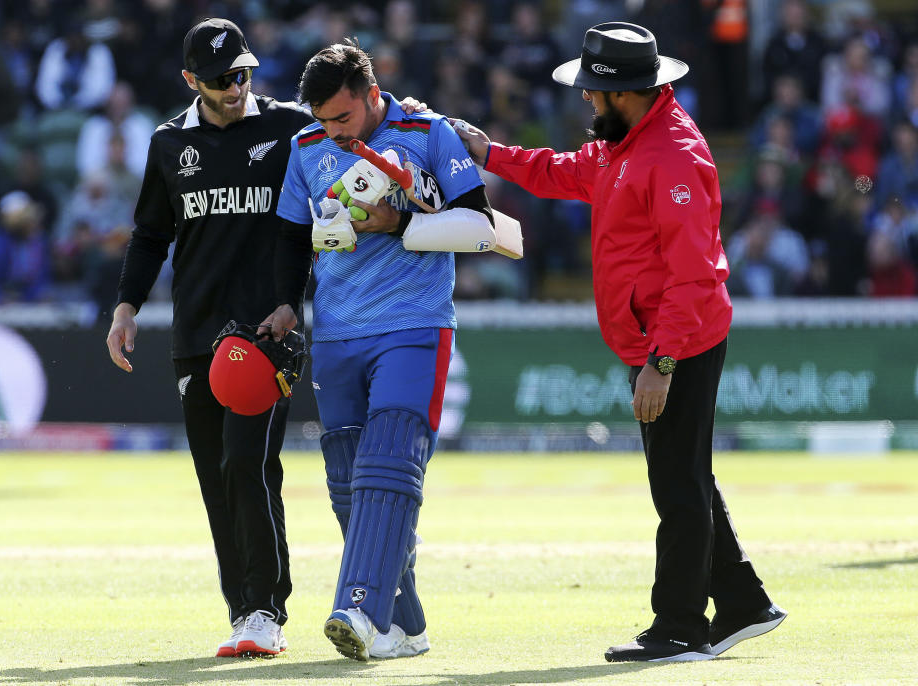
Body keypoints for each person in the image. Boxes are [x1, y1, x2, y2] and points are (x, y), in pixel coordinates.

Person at [452, 22, 787, 662]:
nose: (586, 101)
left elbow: (695, 274)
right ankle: (743, 602)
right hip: (657, 338)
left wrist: (661, 362)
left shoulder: (672, 158)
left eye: (594, 93)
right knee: (686, 477)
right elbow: (564, 172)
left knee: (677, 487)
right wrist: (489, 153)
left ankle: (680, 628)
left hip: (677, 340)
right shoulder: (626, 143)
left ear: (625, 93)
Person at [259, 39, 496, 661]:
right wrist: (288, 302)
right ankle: (405, 624)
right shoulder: (306, 145)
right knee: (348, 486)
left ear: (371, 95)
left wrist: (401, 225)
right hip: (336, 332)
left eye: (343, 117)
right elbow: (289, 237)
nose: (332, 131)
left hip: (414, 324)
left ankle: (359, 611)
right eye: (321, 119)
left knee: (387, 467)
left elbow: (479, 225)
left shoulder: (427, 131)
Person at [105, 17, 314, 659]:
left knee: (245, 463)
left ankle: (263, 609)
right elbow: (149, 235)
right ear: (191, 80)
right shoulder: (169, 143)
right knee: (217, 476)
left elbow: (317, 200)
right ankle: (244, 607)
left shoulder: (290, 126)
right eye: (223, 78)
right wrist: (126, 308)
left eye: (244, 73)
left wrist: (291, 300)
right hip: (196, 333)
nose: (237, 87)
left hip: (264, 332)